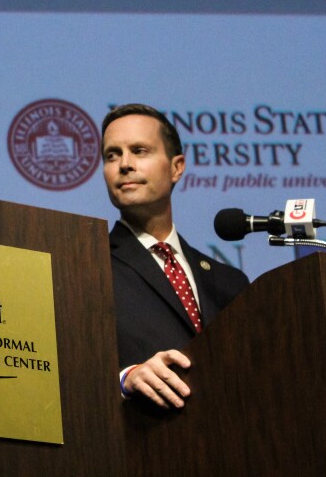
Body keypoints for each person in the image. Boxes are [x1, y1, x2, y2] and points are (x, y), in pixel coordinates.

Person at [101, 103, 248, 410]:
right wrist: (125, 380)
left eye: (139, 150)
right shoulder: (91, 266)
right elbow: (68, 370)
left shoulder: (229, 282)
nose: (124, 164)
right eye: (112, 155)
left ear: (177, 167)